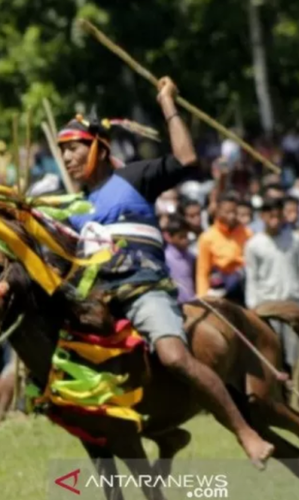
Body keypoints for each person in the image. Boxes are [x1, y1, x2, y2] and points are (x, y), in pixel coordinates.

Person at [59, 76, 274, 468]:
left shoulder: (133, 178)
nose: (67, 158)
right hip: (101, 304)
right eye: (63, 151)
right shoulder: (74, 207)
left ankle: (245, 433)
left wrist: (168, 104)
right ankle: (162, 433)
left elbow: (187, 161)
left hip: (145, 292)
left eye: (73, 148)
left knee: (174, 358)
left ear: (98, 149)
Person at [244, 197, 299, 370]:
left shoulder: (294, 240)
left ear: (283, 216)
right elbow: (251, 277)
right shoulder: (254, 244)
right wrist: (252, 307)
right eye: (270, 215)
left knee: (294, 357)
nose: (274, 219)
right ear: (262, 217)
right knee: (273, 356)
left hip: (292, 304)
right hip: (267, 306)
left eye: (277, 215)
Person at [196, 192, 252, 302]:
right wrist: (203, 298)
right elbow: (203, 271)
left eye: (234, 212)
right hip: (220, 289)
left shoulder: (247, 233)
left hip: (244, 287)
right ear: (217, 211)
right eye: (227, 212)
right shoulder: (207, 237)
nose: (231, 216)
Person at [164, 216, 196, 304]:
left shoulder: (190, 256)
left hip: (192, 302)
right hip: (177, 304)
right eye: (181, 237)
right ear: (169, 238)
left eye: (186, 236)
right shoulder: (166, 258)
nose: (185, 240)